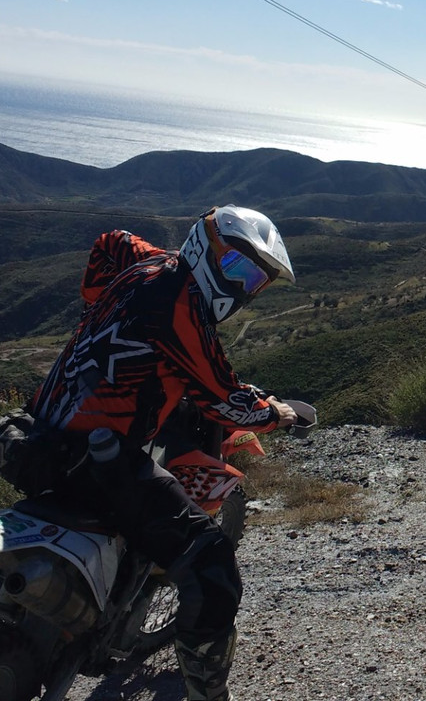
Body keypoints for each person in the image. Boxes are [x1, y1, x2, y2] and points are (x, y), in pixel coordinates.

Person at [25, 204, 298, 701]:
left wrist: (94, 299)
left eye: (254, 281)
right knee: (212, 565)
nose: (241, 289)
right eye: (237, 269)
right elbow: (223, 397)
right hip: (97, 462)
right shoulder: (183, 308)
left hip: (37, 436)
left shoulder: (147, 266)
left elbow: (111, 240)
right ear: (206, 248)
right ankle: (206, 694)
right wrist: (276, 413)